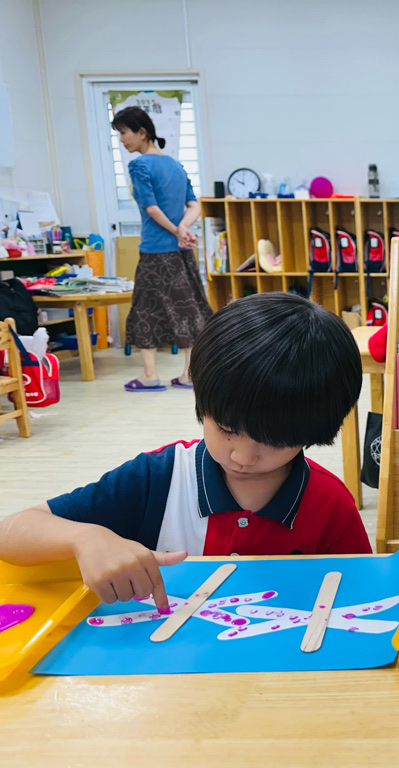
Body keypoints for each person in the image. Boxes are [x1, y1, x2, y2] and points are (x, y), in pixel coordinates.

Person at [0, 293, 369, 611]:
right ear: (203, 402)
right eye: (227, 429)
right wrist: (86, 539)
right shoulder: (158, 478)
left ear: (314, 431)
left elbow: (362, 597)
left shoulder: (329, 503)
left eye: (273, 441)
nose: (242, 457)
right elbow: (11, 532)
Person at [112, 105, 213, 392]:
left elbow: (151, 208)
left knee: (146, 310)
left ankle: (150, 376)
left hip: (155, 251)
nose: (121, 139)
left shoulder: (139, 166)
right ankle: (188, 374)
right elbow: (194, 205)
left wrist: (176, 230)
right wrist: (183, 228)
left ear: (142, 132)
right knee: (189, 308)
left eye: (124, 132)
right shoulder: (175, 166)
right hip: (181, 252)